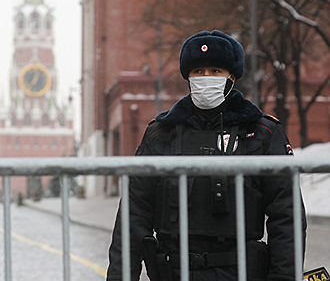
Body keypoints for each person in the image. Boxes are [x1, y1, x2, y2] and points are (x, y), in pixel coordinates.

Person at [106, 30, 307, 281]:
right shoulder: (161, 133)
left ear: (232, 77)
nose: (206, 79)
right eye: (198, 72)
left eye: (215, 71)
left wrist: (284, 277)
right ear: (188, 77)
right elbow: (134, 215)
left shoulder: (261, 132)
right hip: (174, 271)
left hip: (240, 272)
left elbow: (286, 216)